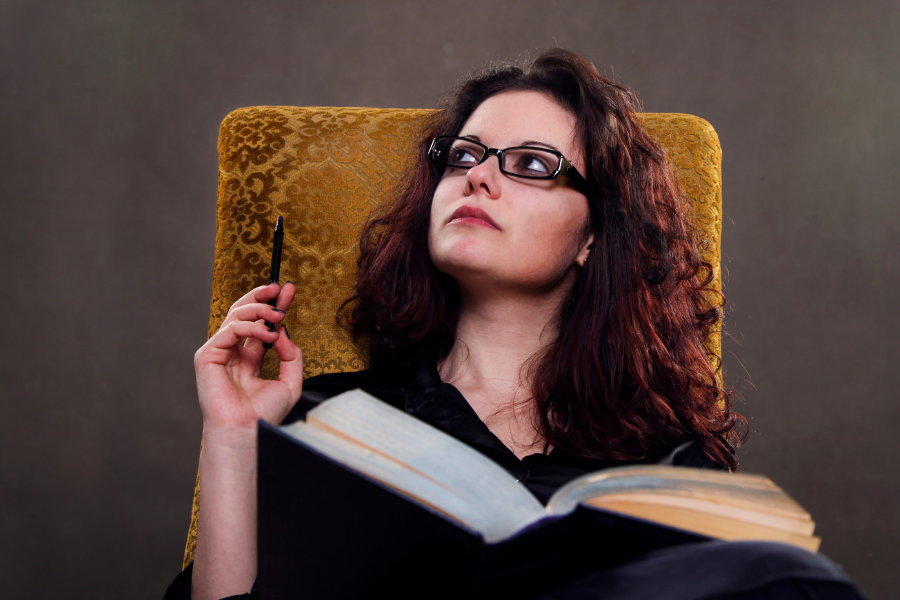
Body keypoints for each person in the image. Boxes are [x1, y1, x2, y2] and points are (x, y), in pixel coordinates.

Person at [165, 49, 868, 600]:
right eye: (464, 156)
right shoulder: (328, 420)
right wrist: (232, 435)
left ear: (594, 235)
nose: (478, 177)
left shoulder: (670, 465)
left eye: (531, 164)